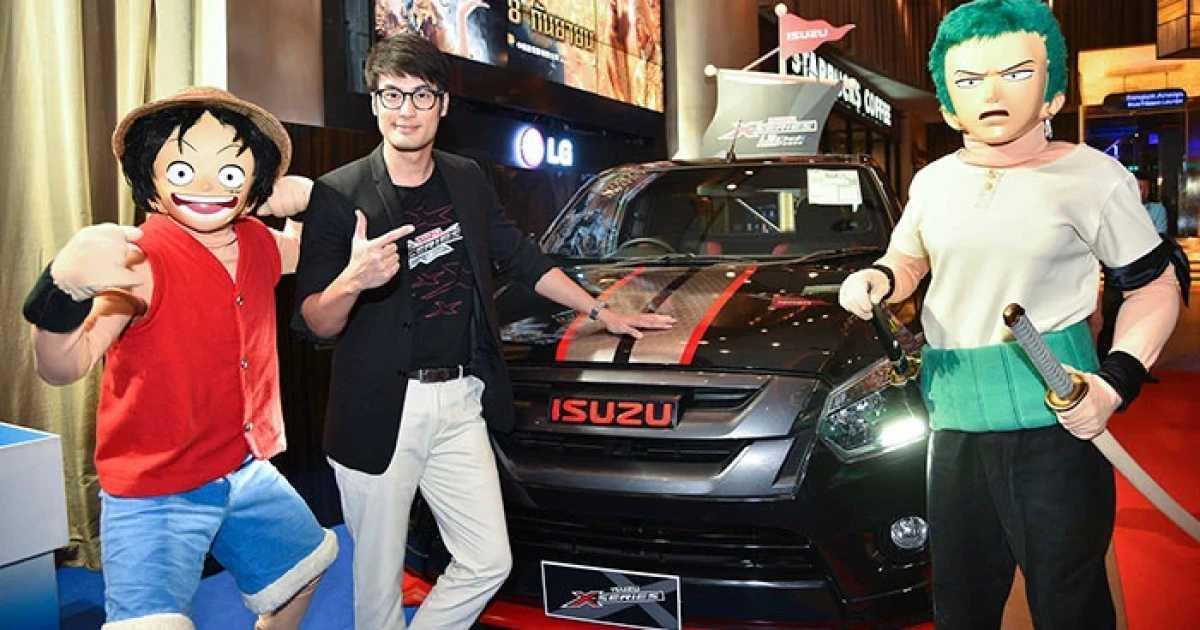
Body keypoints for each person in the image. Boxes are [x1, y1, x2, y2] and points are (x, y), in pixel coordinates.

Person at [293, 33, 675, 630]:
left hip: (460, 398)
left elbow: (522, 257)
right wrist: (353, 280)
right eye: (392, 95)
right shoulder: (339, 194)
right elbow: (315, 321)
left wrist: (602, 311)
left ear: (443, 104)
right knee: (377, 585)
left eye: (422, 95)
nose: (406, 110)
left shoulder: (466, 178)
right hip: (378, 409)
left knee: (487, 559)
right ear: (374, 102)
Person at [837, 1, 1188, 628]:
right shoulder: (934, 182)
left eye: (1017, 73)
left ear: (1052, 91)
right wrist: (881, 278)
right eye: (969, 79)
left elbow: (1154, 285)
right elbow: (910, 257)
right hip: (953, 420)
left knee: (1069, 598)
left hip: (1055, 417)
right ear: (949, 103)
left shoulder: (1092, 177)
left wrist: (1114, 383)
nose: (992, 93)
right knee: (961, 600)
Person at [22, 87, 337, 629]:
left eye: (231, 173)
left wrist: (307, 207)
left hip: (241, 469)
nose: (210, 188)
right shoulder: (140, 260)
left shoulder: (255, 241)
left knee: (303, 570)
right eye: (185, 171)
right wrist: (60, 292)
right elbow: (62, 366)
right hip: (155, 489)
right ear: (150, 174)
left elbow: (305, 254)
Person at [1097, 171, 1172, 359]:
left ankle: (1136, 365)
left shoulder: (1156, 210)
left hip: (1146, 274)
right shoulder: (1114, 210)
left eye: (1145, 188)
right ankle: (1104, 362)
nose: (1142, 192)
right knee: (1111, 320)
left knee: (1143, 323)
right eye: (1138, 187)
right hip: (1118, 273)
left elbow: (1158, 236)